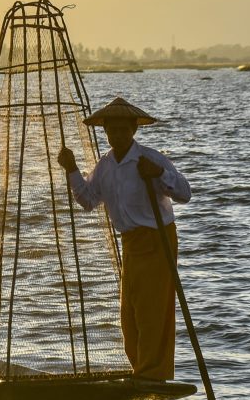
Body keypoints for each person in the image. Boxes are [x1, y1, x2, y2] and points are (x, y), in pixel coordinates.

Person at [56, 97, 191, 381]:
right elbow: (88, 200)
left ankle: (153, 372)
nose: (116, 135)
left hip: (158, 240)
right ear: (105, 132)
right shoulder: (105, 166)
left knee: (152, 308)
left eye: (122, 130)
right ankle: (139, 368)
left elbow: (184, 193)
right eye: (111, 130)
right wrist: (71, 169)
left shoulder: (150, 159)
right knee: (129, 311)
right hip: (130, 242)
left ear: (133, 130)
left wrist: (159, 174)